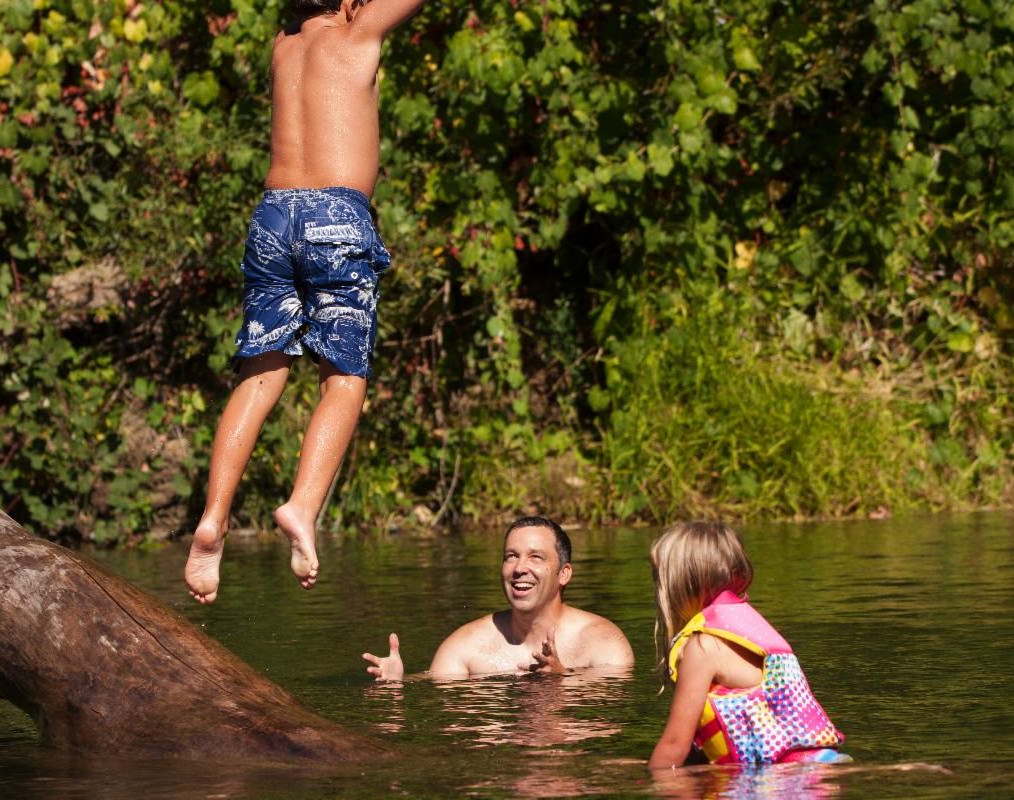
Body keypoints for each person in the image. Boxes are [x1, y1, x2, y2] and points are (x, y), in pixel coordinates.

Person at [184, 0, 427, 604]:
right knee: (344, 377)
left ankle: (214, 519)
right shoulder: (358, 33)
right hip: (334, 217)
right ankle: (301, 506)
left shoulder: (281, 47)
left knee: (261, 373)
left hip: (272, 217)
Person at [647, 521, 848, 770]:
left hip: (786, 778)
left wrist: (648, 785)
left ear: (681, 584)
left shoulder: (703, 647)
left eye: (658, 578)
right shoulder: (746, 633)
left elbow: (675, 744)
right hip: (818, 762)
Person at [362, 517, 635, 679]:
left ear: (563, 574)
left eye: (535, 557)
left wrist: (560, 681)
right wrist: (400, 682)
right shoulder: (465, 647)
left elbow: (605, 724)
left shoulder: (604, 644)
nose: (519, 568)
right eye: (511, 556)